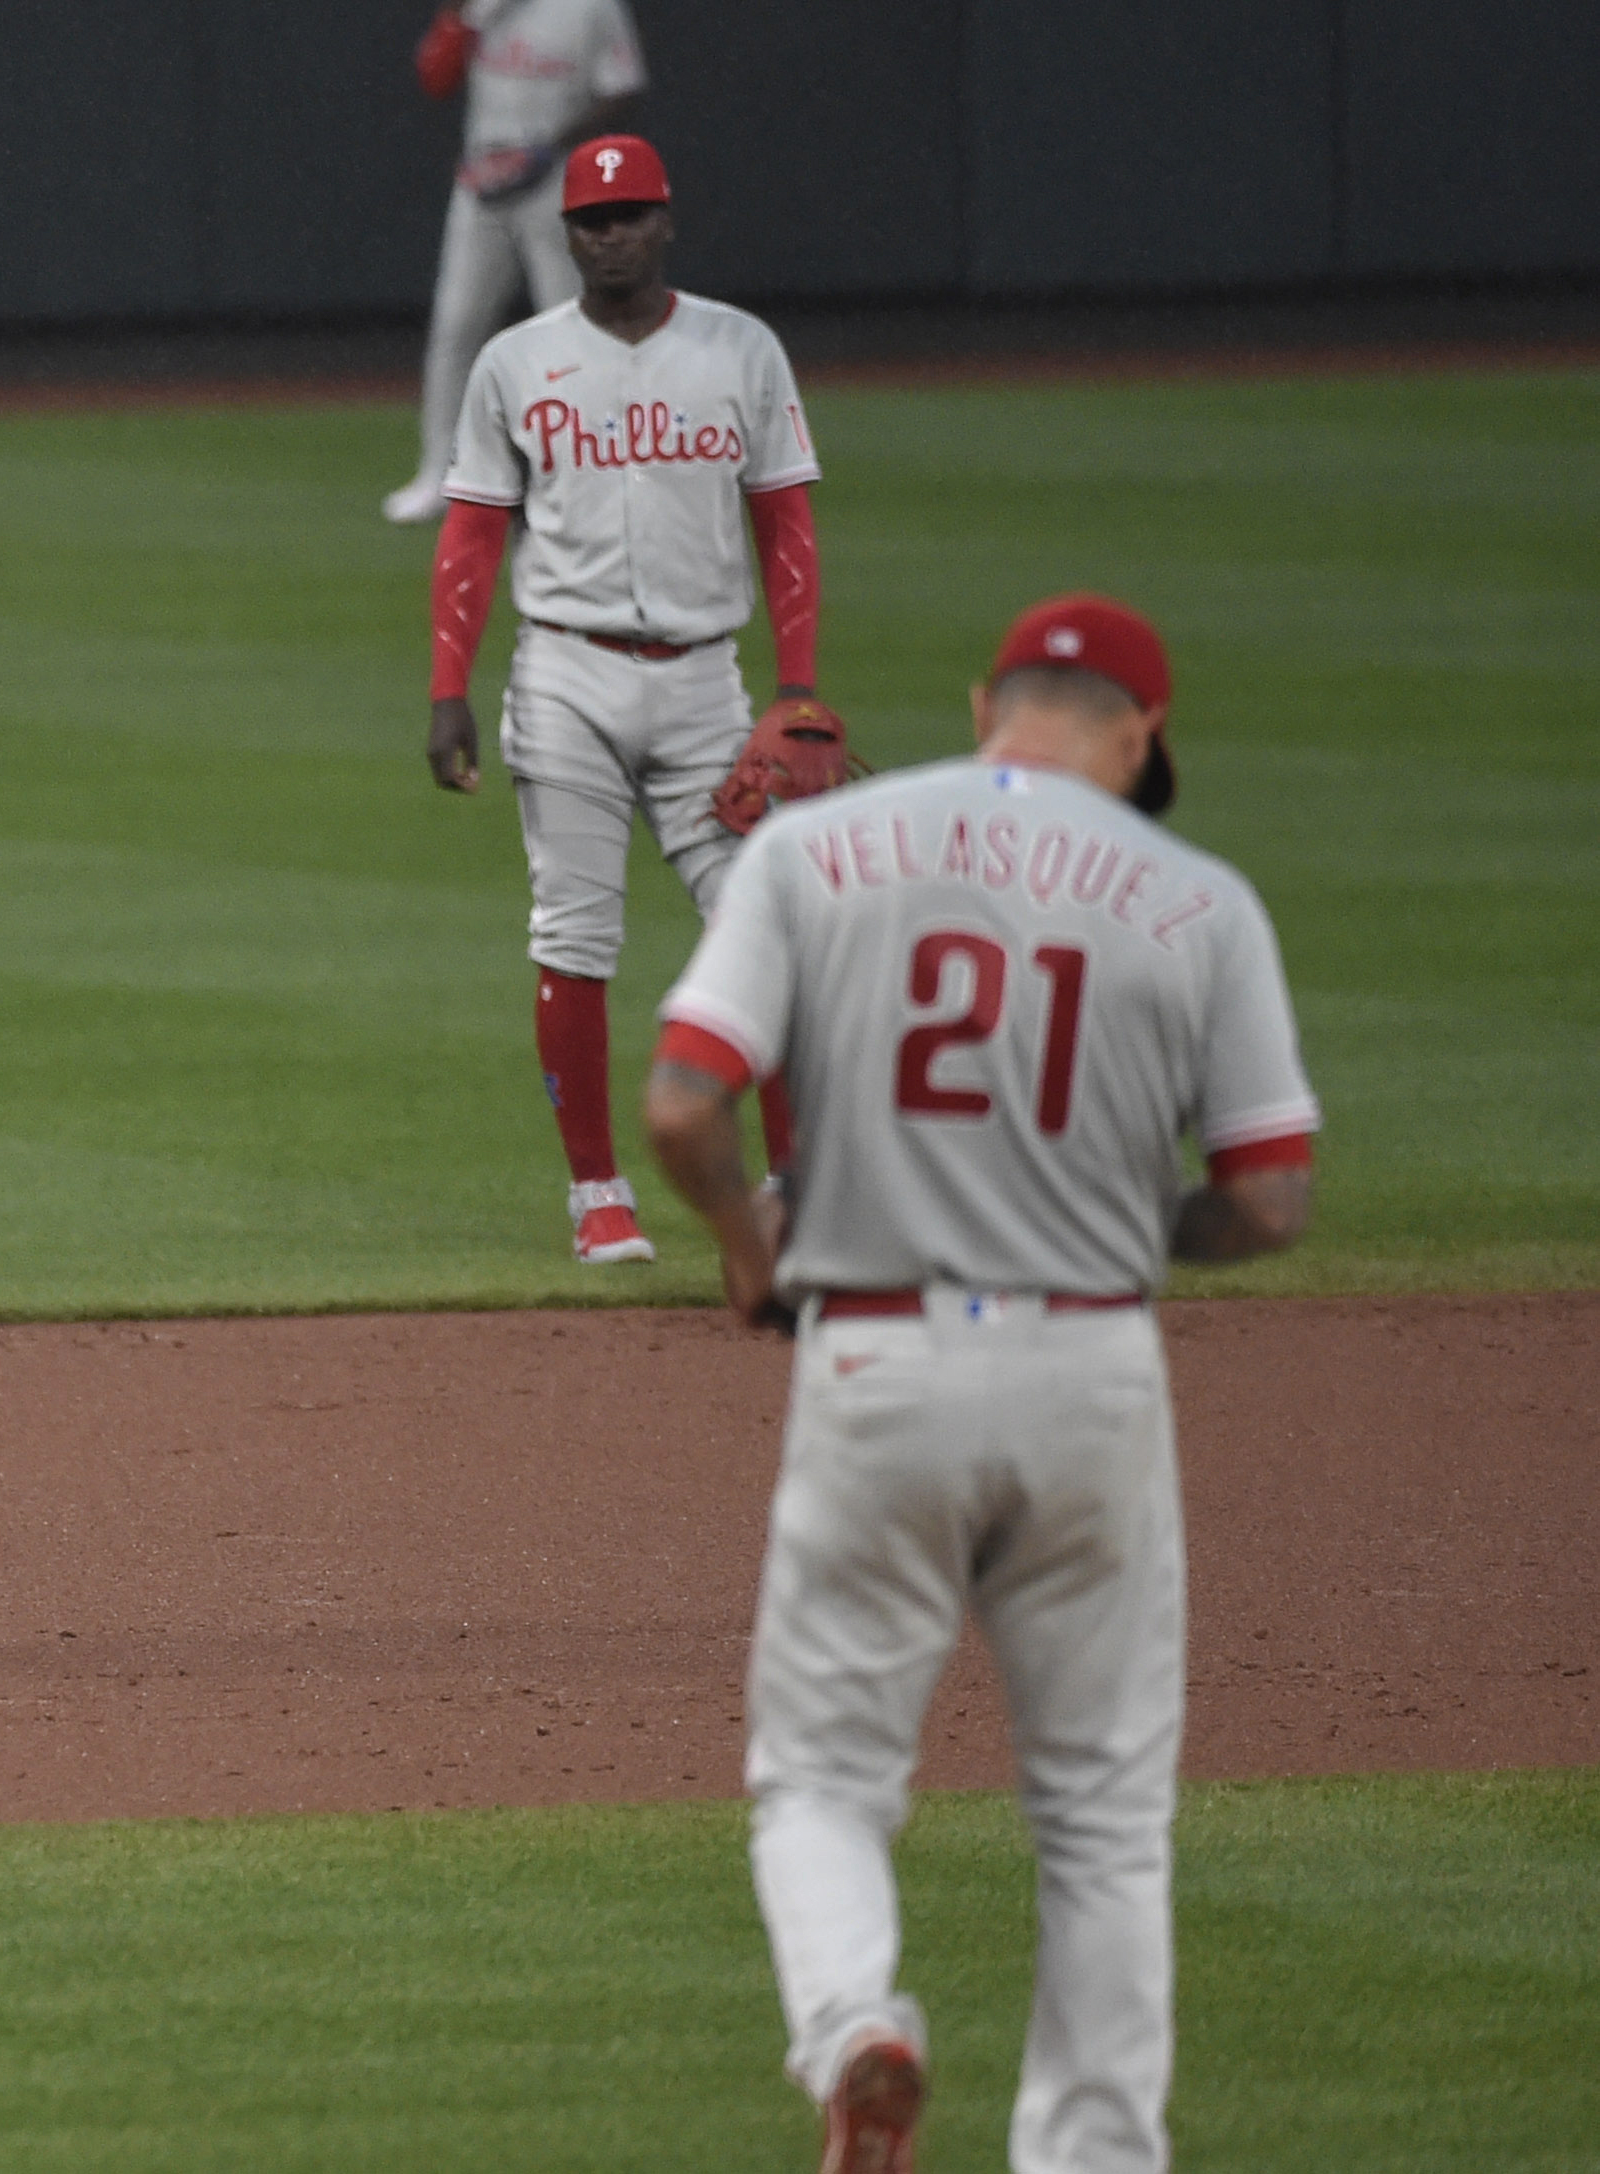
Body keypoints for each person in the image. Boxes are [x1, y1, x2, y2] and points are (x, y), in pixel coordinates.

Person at [641, 596, 1319, 2172]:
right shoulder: (1199, 897)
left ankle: (855, 2025)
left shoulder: (819, 852)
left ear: (981, 704)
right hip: (1090, 1367)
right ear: (1141, 737)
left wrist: (750, 1251)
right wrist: (1110, 1220)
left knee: (820, 1773)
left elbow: (682, 1106)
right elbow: (1270, 1200)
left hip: (876, 1352)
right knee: (1098, 1816)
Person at [424, 133, 821, 1263]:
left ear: (666, 220)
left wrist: (795, 689)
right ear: (568, 234)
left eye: (632, 214)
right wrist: (449, 689)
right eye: (594, 219)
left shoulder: (740, 349)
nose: (613, 234)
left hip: (707, 683)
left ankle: (792, 1187)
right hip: (566, 677)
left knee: (770, 927)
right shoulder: (515, 361)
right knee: (575, 933)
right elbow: (470, 534)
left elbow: (786, 522)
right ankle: (597, 1191)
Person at [386, 0, 647, 525]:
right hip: (483, 180)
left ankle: (586, 474)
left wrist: (551, 146)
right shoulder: (482, 6)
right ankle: (440, 472)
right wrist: (457, 17)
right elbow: (435, 78)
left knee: (571, 330)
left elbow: (622, 86)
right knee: (457, 325)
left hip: (558, 178)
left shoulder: (591, 7)